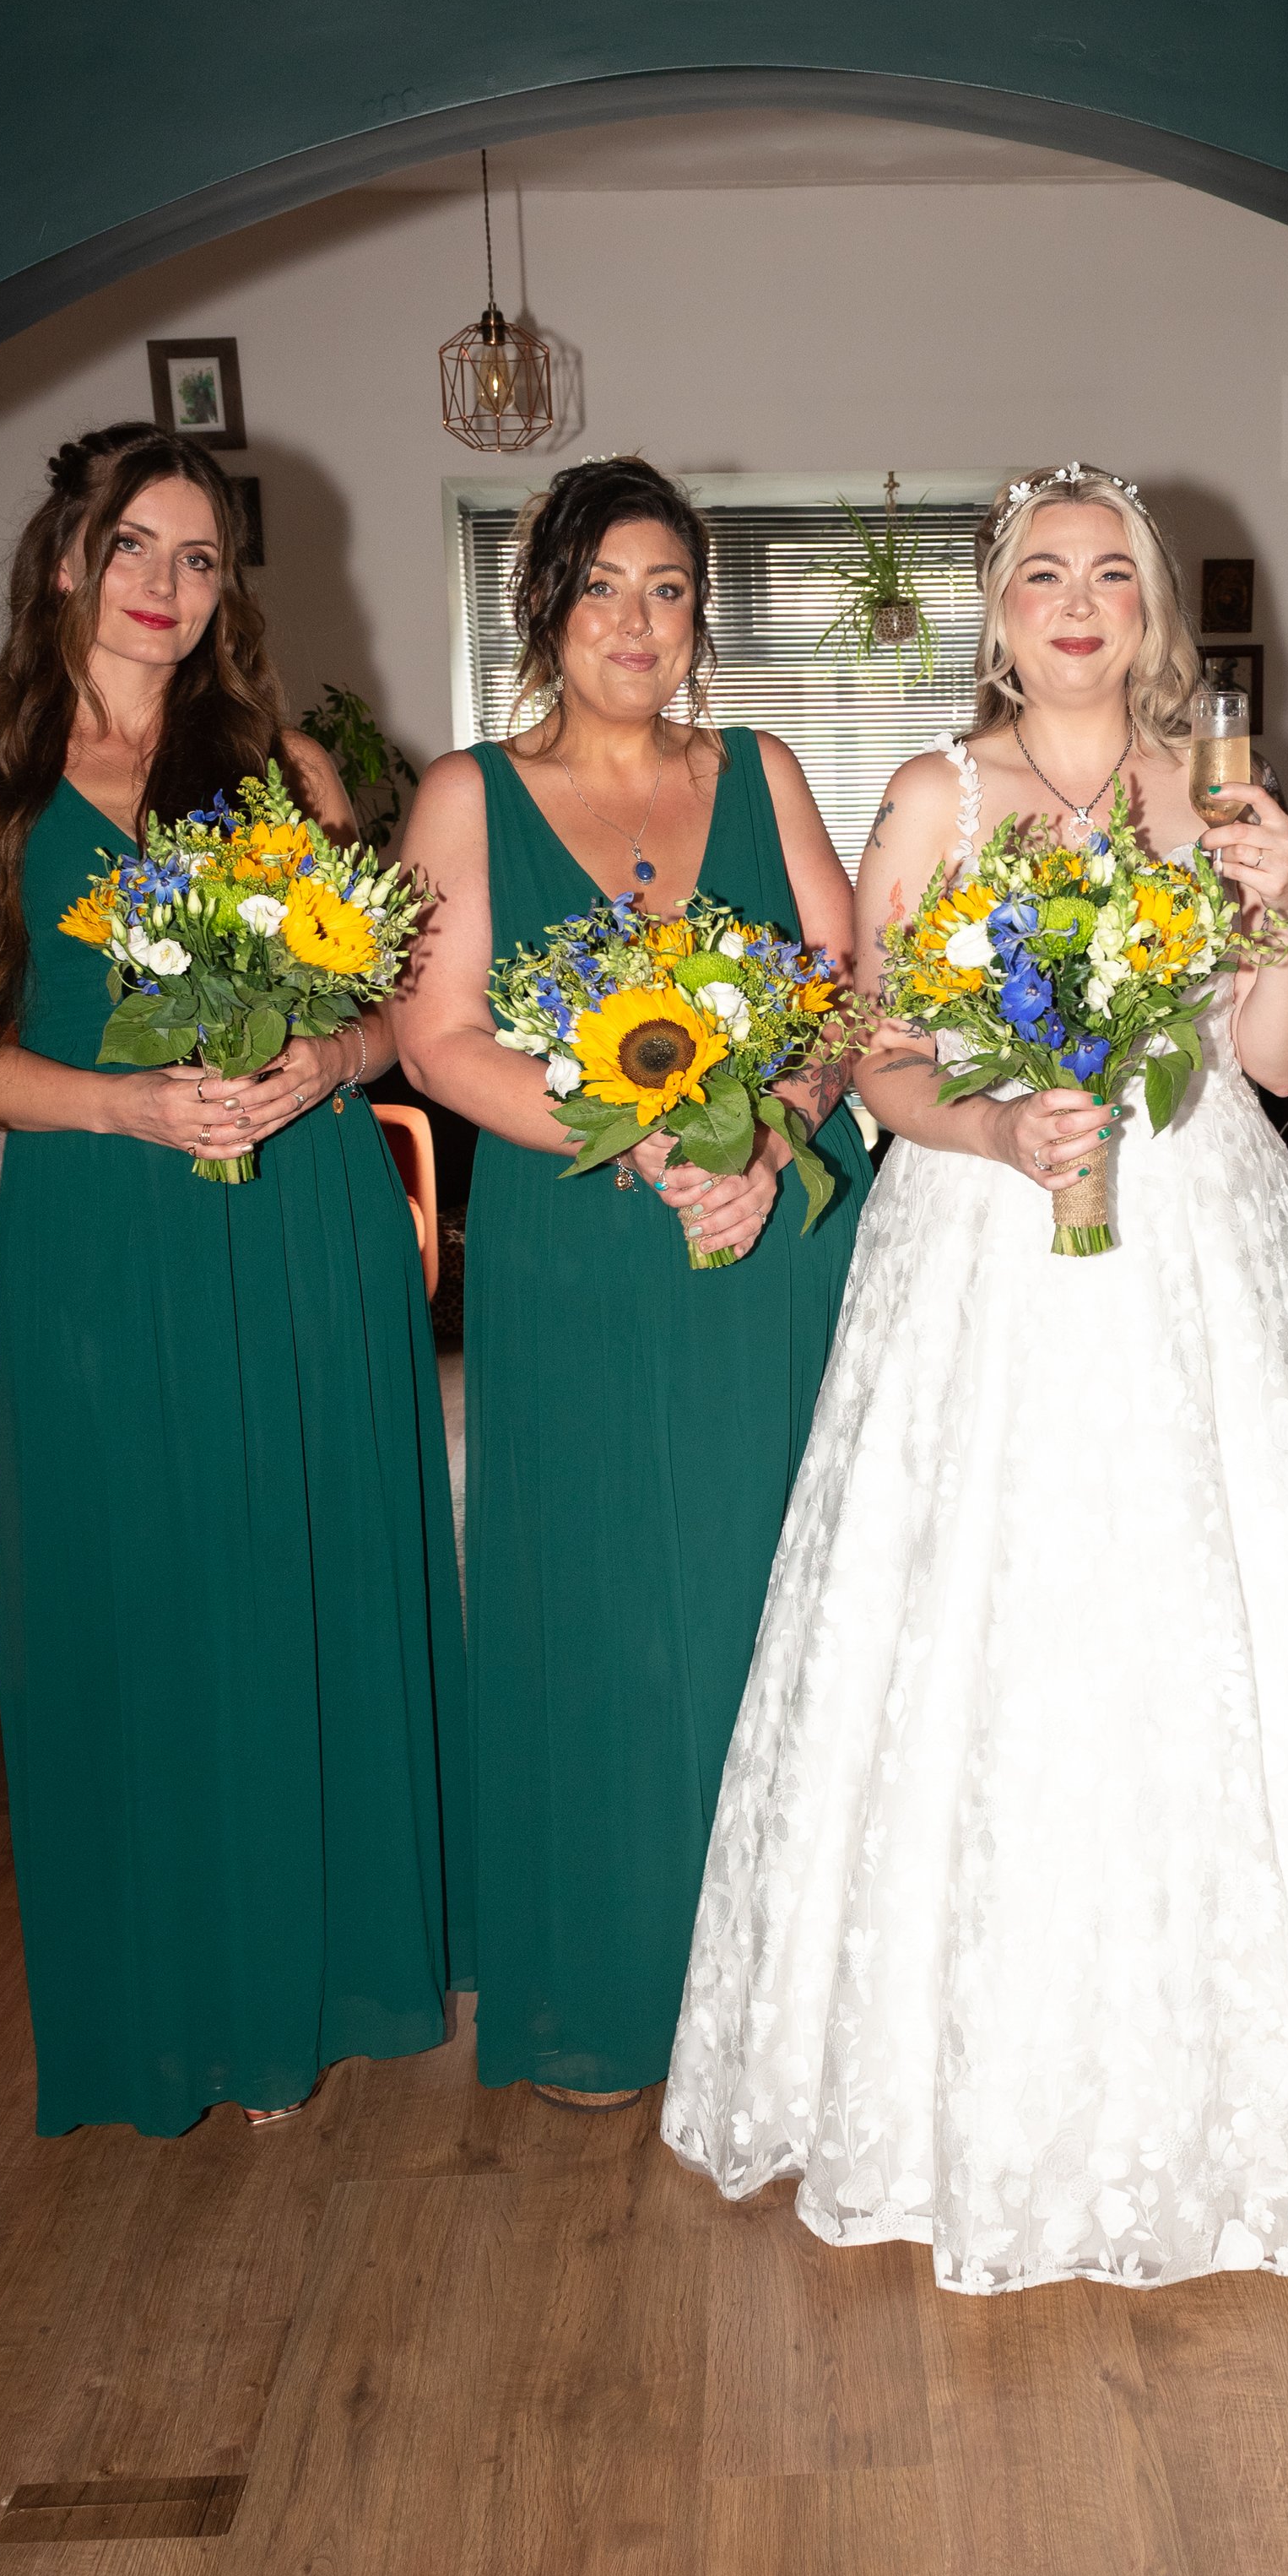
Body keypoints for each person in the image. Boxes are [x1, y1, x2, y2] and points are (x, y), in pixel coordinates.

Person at [663, 463, 1288, 2291]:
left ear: (1149, 612)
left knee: (1219, 1627)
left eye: (1106, 574)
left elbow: (1280, 1060)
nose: (1074, 602)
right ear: (993, 611)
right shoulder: (930, 795)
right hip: (982, 1247)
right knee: (991, 1629)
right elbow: (881, 1061)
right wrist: (989, 1124)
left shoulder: (1210, 795)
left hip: (1203, 1242)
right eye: (1039, 573)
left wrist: (1283, 888)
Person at [0, 422, 472, 2137]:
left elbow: (386, 1009)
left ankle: (309, 1979)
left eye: (198, 559)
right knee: (142, 1601)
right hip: (101, 1234)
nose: (163, 584)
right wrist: (123, 1103)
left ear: (228, 590)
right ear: (65, 557)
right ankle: (176, 1998)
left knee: (295, 1581)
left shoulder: (284, 770)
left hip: (303, 1226)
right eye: (135, 545)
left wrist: (327, 1063)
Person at [393, 455, 870, 2107]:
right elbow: (432, 1036)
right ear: (544, 605)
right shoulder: (466, 794)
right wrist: (640, 1135)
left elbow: (835, 1001)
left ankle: (793, 1994)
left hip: (763, 1240)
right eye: (602, 584)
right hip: (578, 1245)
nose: (635, 619)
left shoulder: (761, 765)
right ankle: (610, 1983)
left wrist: (762, 1138)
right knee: (592, 1608)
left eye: (666, 588)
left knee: (769, 1596)